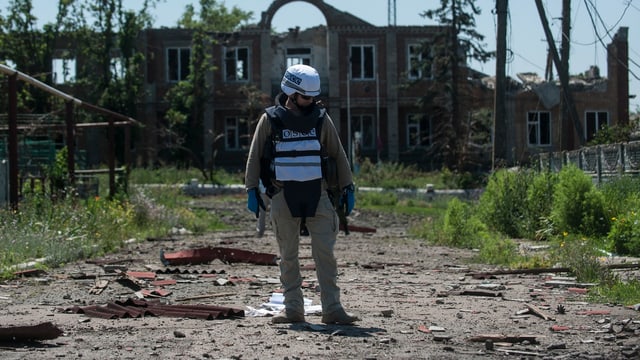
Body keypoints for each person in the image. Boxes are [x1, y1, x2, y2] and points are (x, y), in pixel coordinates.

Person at [244, 64, 358, 325]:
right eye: (307, 97)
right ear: (292, 92)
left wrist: (347, 186)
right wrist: (251, 189)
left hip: (318, 194)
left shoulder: (320, 118)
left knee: (325, 255)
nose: (311, 102)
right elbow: (254, 155)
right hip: (283, 195)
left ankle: (332, 309)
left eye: (313, 97)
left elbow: (338, 153)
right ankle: (293, 309)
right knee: (288, 256)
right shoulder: (270, 119)